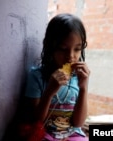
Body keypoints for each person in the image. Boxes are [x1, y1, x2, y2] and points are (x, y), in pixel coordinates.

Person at [20, 13, 90, 141]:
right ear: (50, 48)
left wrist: (84, 88)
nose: (70, 56)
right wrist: (50, 91)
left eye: (77, 49)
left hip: (72, 133)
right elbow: (36, 120)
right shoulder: (37, 76)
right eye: (63, 49)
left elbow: (78, 123)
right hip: (45, 133)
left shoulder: (78, 78)